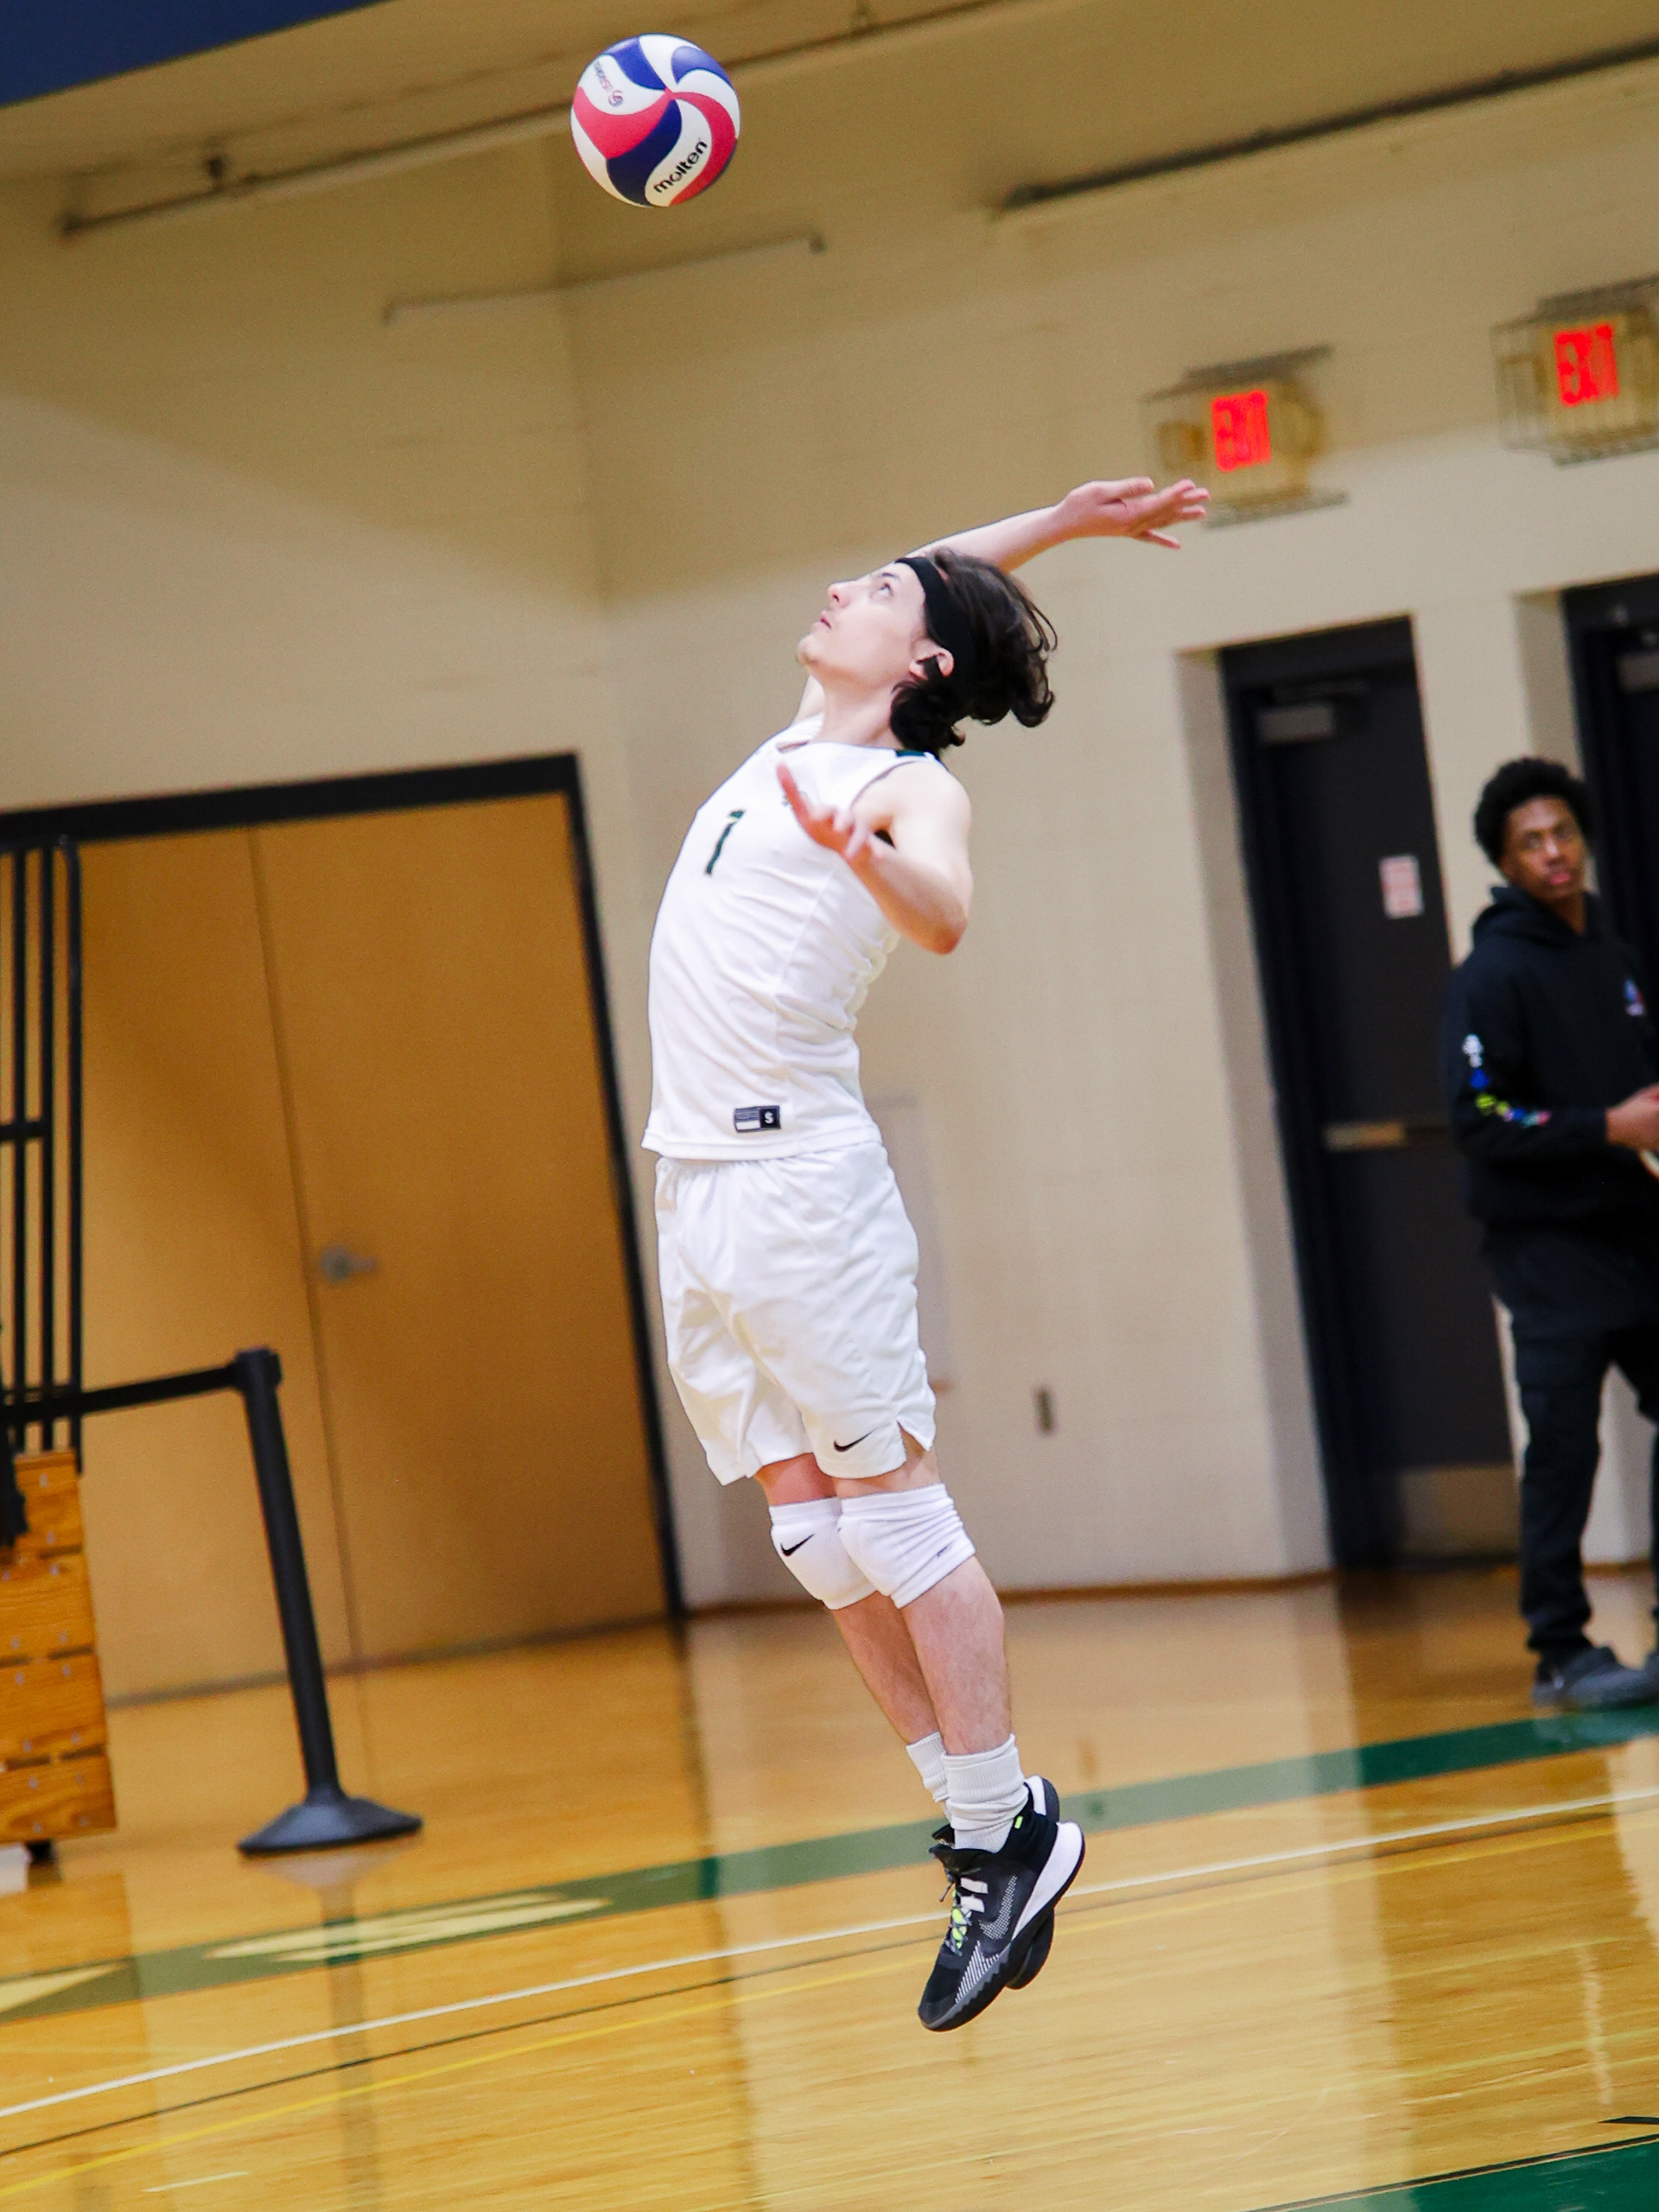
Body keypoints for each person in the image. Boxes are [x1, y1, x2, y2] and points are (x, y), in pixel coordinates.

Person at [644, 474, 1209, 2029]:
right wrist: (1067, 524)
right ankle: (995, 1824)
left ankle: (991, 1831)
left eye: (880, 596)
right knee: (812, 1542)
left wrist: (863, 851)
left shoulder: (905, 788)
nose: (847, 590)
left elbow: (946, 914)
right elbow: (943, 574)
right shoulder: (795, 738)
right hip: (692, 1189)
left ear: (923, 667)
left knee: (897, 1526)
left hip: (798, 1188)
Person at [1444, 756, 1659, 1711]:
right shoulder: (1492, 973)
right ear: (1505, 860)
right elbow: (1479, 1116)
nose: (1552, 852)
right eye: (1530, 841)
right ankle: (1562, 1650)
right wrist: (1608, 1126)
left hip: (1635, 1232)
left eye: (1562, 832)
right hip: (1544, 1247)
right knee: (1566, 1443)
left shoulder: (1611, 957)